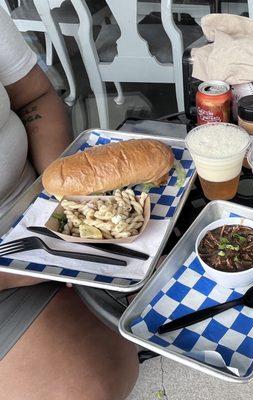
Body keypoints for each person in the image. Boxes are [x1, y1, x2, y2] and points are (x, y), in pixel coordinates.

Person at [0, 8, 139, 400]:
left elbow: (35, 94)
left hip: (36, 210)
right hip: (9, 270)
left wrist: (57, 194)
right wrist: (14, 270)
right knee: (86, 388)